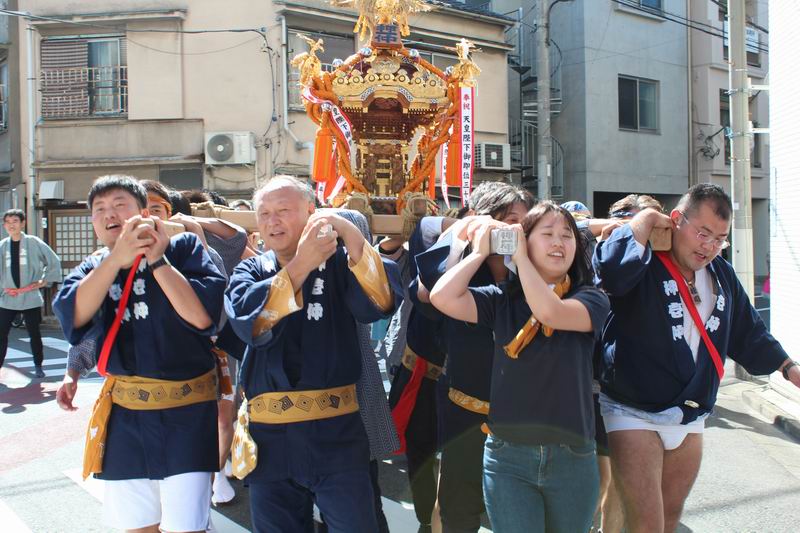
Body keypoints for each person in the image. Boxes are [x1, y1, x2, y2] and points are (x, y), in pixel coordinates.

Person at [592, 183, 800, 533]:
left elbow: (747, 329)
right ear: (676, 219)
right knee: (647, 523)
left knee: (670, 519)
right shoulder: (643, 262)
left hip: (690, 412)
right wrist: (644, 220)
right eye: (702, 233)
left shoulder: (721, 274)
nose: (709, 247)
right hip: (631, 409)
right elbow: (610, 273)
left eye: (719, 239)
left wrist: (787, 366)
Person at [224, 175, 403, 532]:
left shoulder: (339, 264)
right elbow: (250, 324)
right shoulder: (250, 270)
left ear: (310, 211)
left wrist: (347, 230)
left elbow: (380, 301)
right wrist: (300, 265)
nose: (273, 221)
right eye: (264, 214)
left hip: (337, 433)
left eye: (283, 211)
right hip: (269, 437)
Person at [52, 175, 226, 533]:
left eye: (120, 205)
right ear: (93, 222)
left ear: (144, 213)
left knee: (187, 527)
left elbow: (202, 318)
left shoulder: (184, 248)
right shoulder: (96, 266)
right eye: (100, 209)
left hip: (188, 414)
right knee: (136, 526)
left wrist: (158, 261)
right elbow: (76, 316)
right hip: (126, 416)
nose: (109, 214)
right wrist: (115, 260)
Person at [429, 201, 610, 533]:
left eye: (567, 235)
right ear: (524, 241)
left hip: (572, 456)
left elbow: (550, 312)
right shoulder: (501, 299)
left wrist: (520, 259)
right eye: (547, 234)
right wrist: (479, 253)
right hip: (508, 457)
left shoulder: (591, 297)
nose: (558, 243)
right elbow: (442, 297)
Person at [415, 183, 533, 533]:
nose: (513, 230)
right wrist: (467, 236)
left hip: (526, 415)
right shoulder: (461, 262)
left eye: (523, 222)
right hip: (465, 409)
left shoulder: (537, 268)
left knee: (522, 508)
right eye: (507, 220)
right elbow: (426, 295)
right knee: (458, 505)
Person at [0, 208, 62, 378]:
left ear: (23, 223)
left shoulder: (33, 242)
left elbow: (53, 260)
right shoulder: (2, 246)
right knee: (1, 334)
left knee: (34, 333)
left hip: (30, 296)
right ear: (4, 225)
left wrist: (44, 280)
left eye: (15, 221)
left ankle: (38, 365)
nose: (11, 225)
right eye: (8, 222)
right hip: (8, 297)